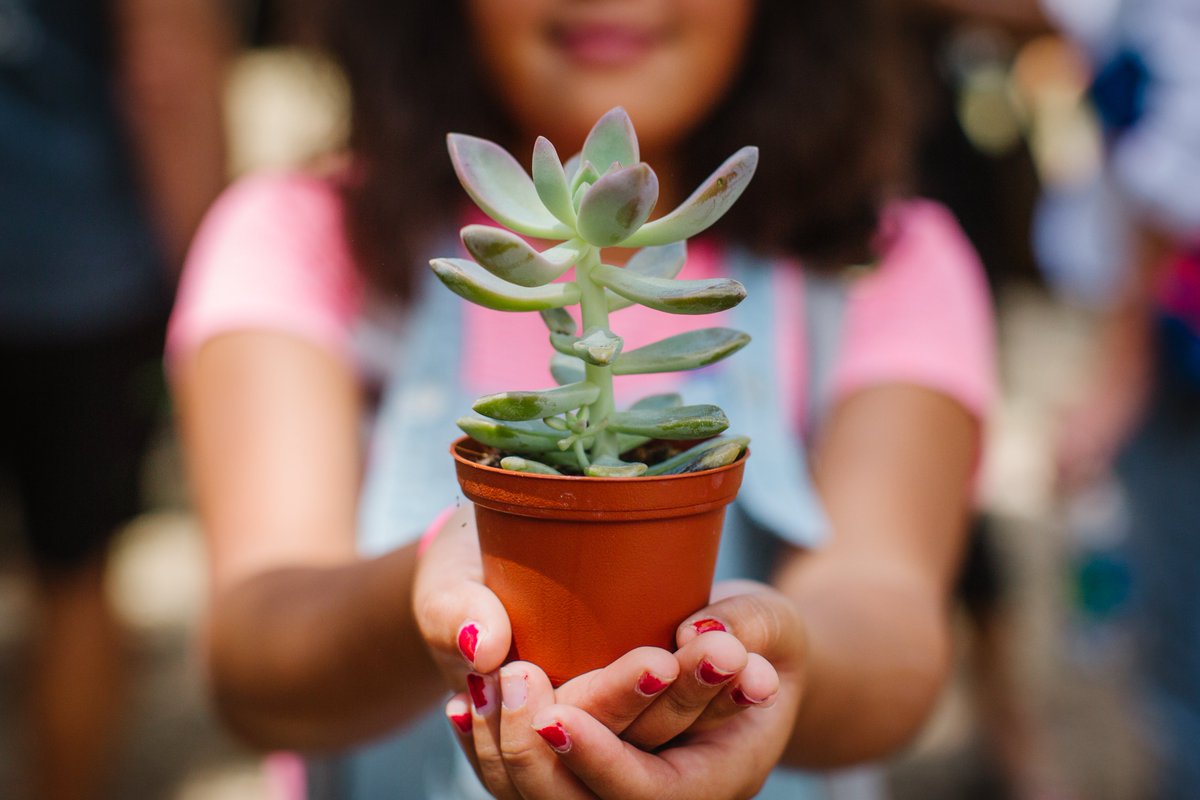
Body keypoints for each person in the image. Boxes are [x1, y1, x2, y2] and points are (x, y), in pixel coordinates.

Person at [167, 1, 995, 797]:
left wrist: (764, 664)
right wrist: (434, 589)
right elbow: (254, 660)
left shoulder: (880, 267)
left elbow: (889, 625)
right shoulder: (305, 243)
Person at [0, 0, 228, 798]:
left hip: (66, 281)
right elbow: (170, 68)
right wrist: (216, 284)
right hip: (75, 279)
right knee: (77, 574)